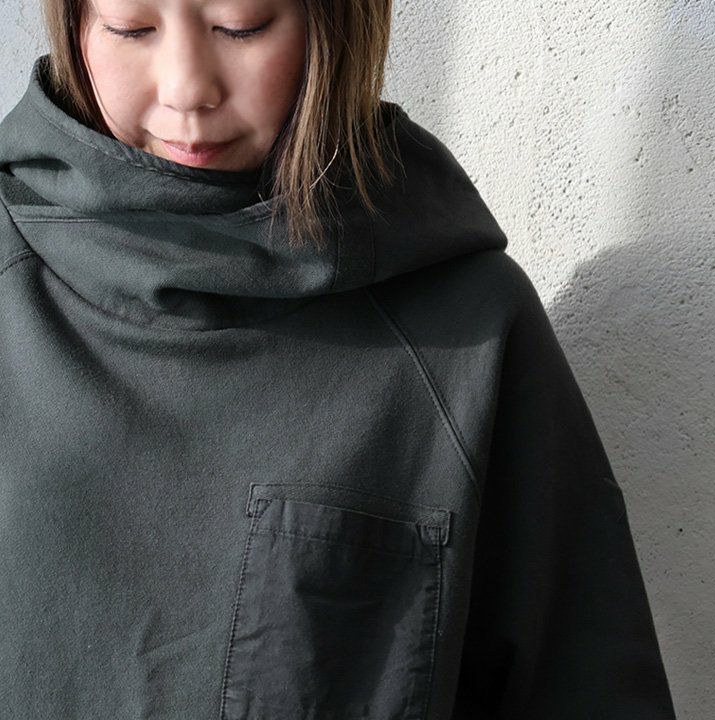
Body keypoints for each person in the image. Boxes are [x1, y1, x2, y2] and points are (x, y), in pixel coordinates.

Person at [0, 1, 677, 718]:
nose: (187, 89)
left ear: (335, 25)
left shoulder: (467, 328)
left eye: (241, 26)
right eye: (132, 28)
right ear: (75, 26)